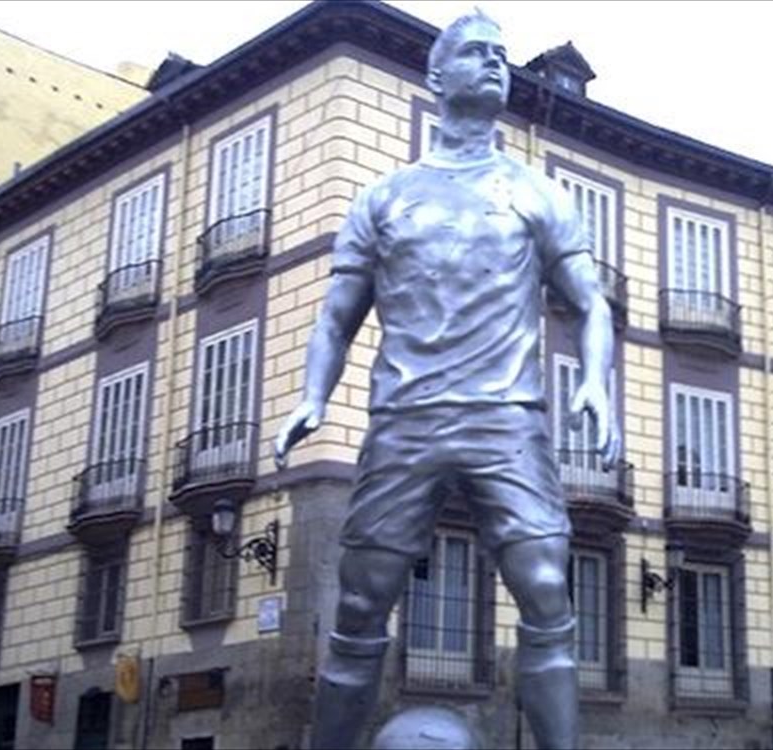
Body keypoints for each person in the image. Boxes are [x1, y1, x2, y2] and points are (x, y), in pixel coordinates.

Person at [274, 10, 617, 749]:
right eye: (475, 51)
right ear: (436, 74)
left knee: (547, 591)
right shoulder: (384, 198)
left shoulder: (538, 193)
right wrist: (312, 396)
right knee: (360, 605)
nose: (494, 62)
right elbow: (337, 316)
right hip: (406, 419)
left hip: (508, 420)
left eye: (501, 54)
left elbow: (591, 304)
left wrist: (596, 383)